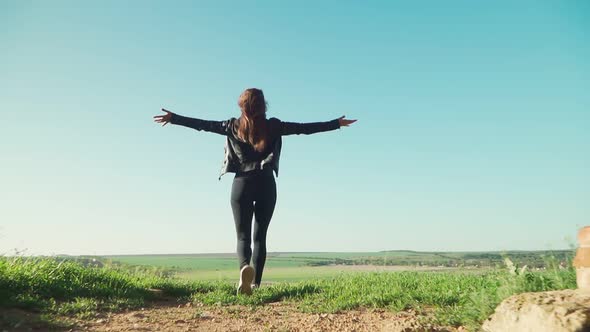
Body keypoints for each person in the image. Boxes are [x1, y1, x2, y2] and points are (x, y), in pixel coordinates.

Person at [153, 88, 356, 295]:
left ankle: (244, 270)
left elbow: (203, 125)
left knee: (242, 237)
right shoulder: (274, 126)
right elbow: (304, 128)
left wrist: (174, 118)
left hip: (242, 184)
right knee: (260, 237)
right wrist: (336, 124)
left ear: (242, 106)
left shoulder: (232, 126)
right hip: (266, 183)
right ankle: (256, 285)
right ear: (263, 106)